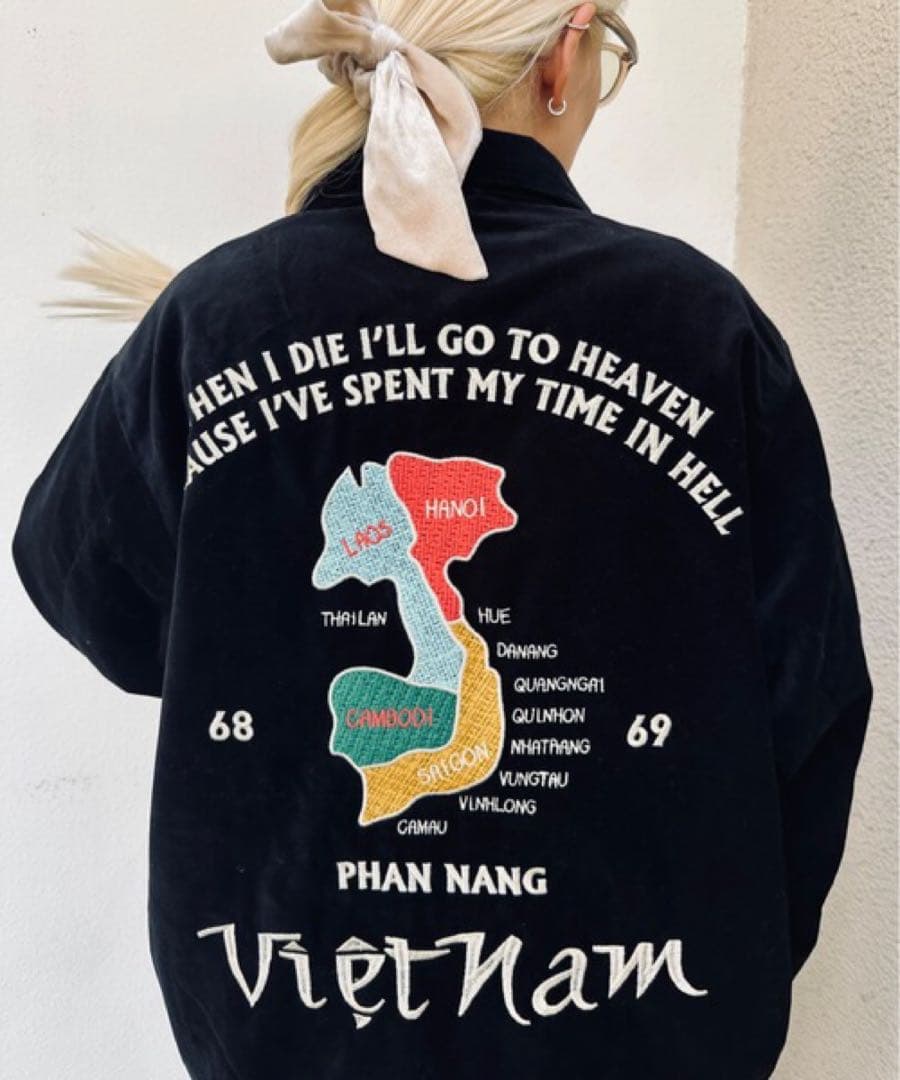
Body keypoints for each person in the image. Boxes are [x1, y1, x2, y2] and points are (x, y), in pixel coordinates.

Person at [10, 1, 874, 1077]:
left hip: (288, 1014)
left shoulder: (214, 318)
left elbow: (93, 592)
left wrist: (251, 608)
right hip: (642, 1023)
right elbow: (813, 696)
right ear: (565, 56)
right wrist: (730, 967)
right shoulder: (701, 325)